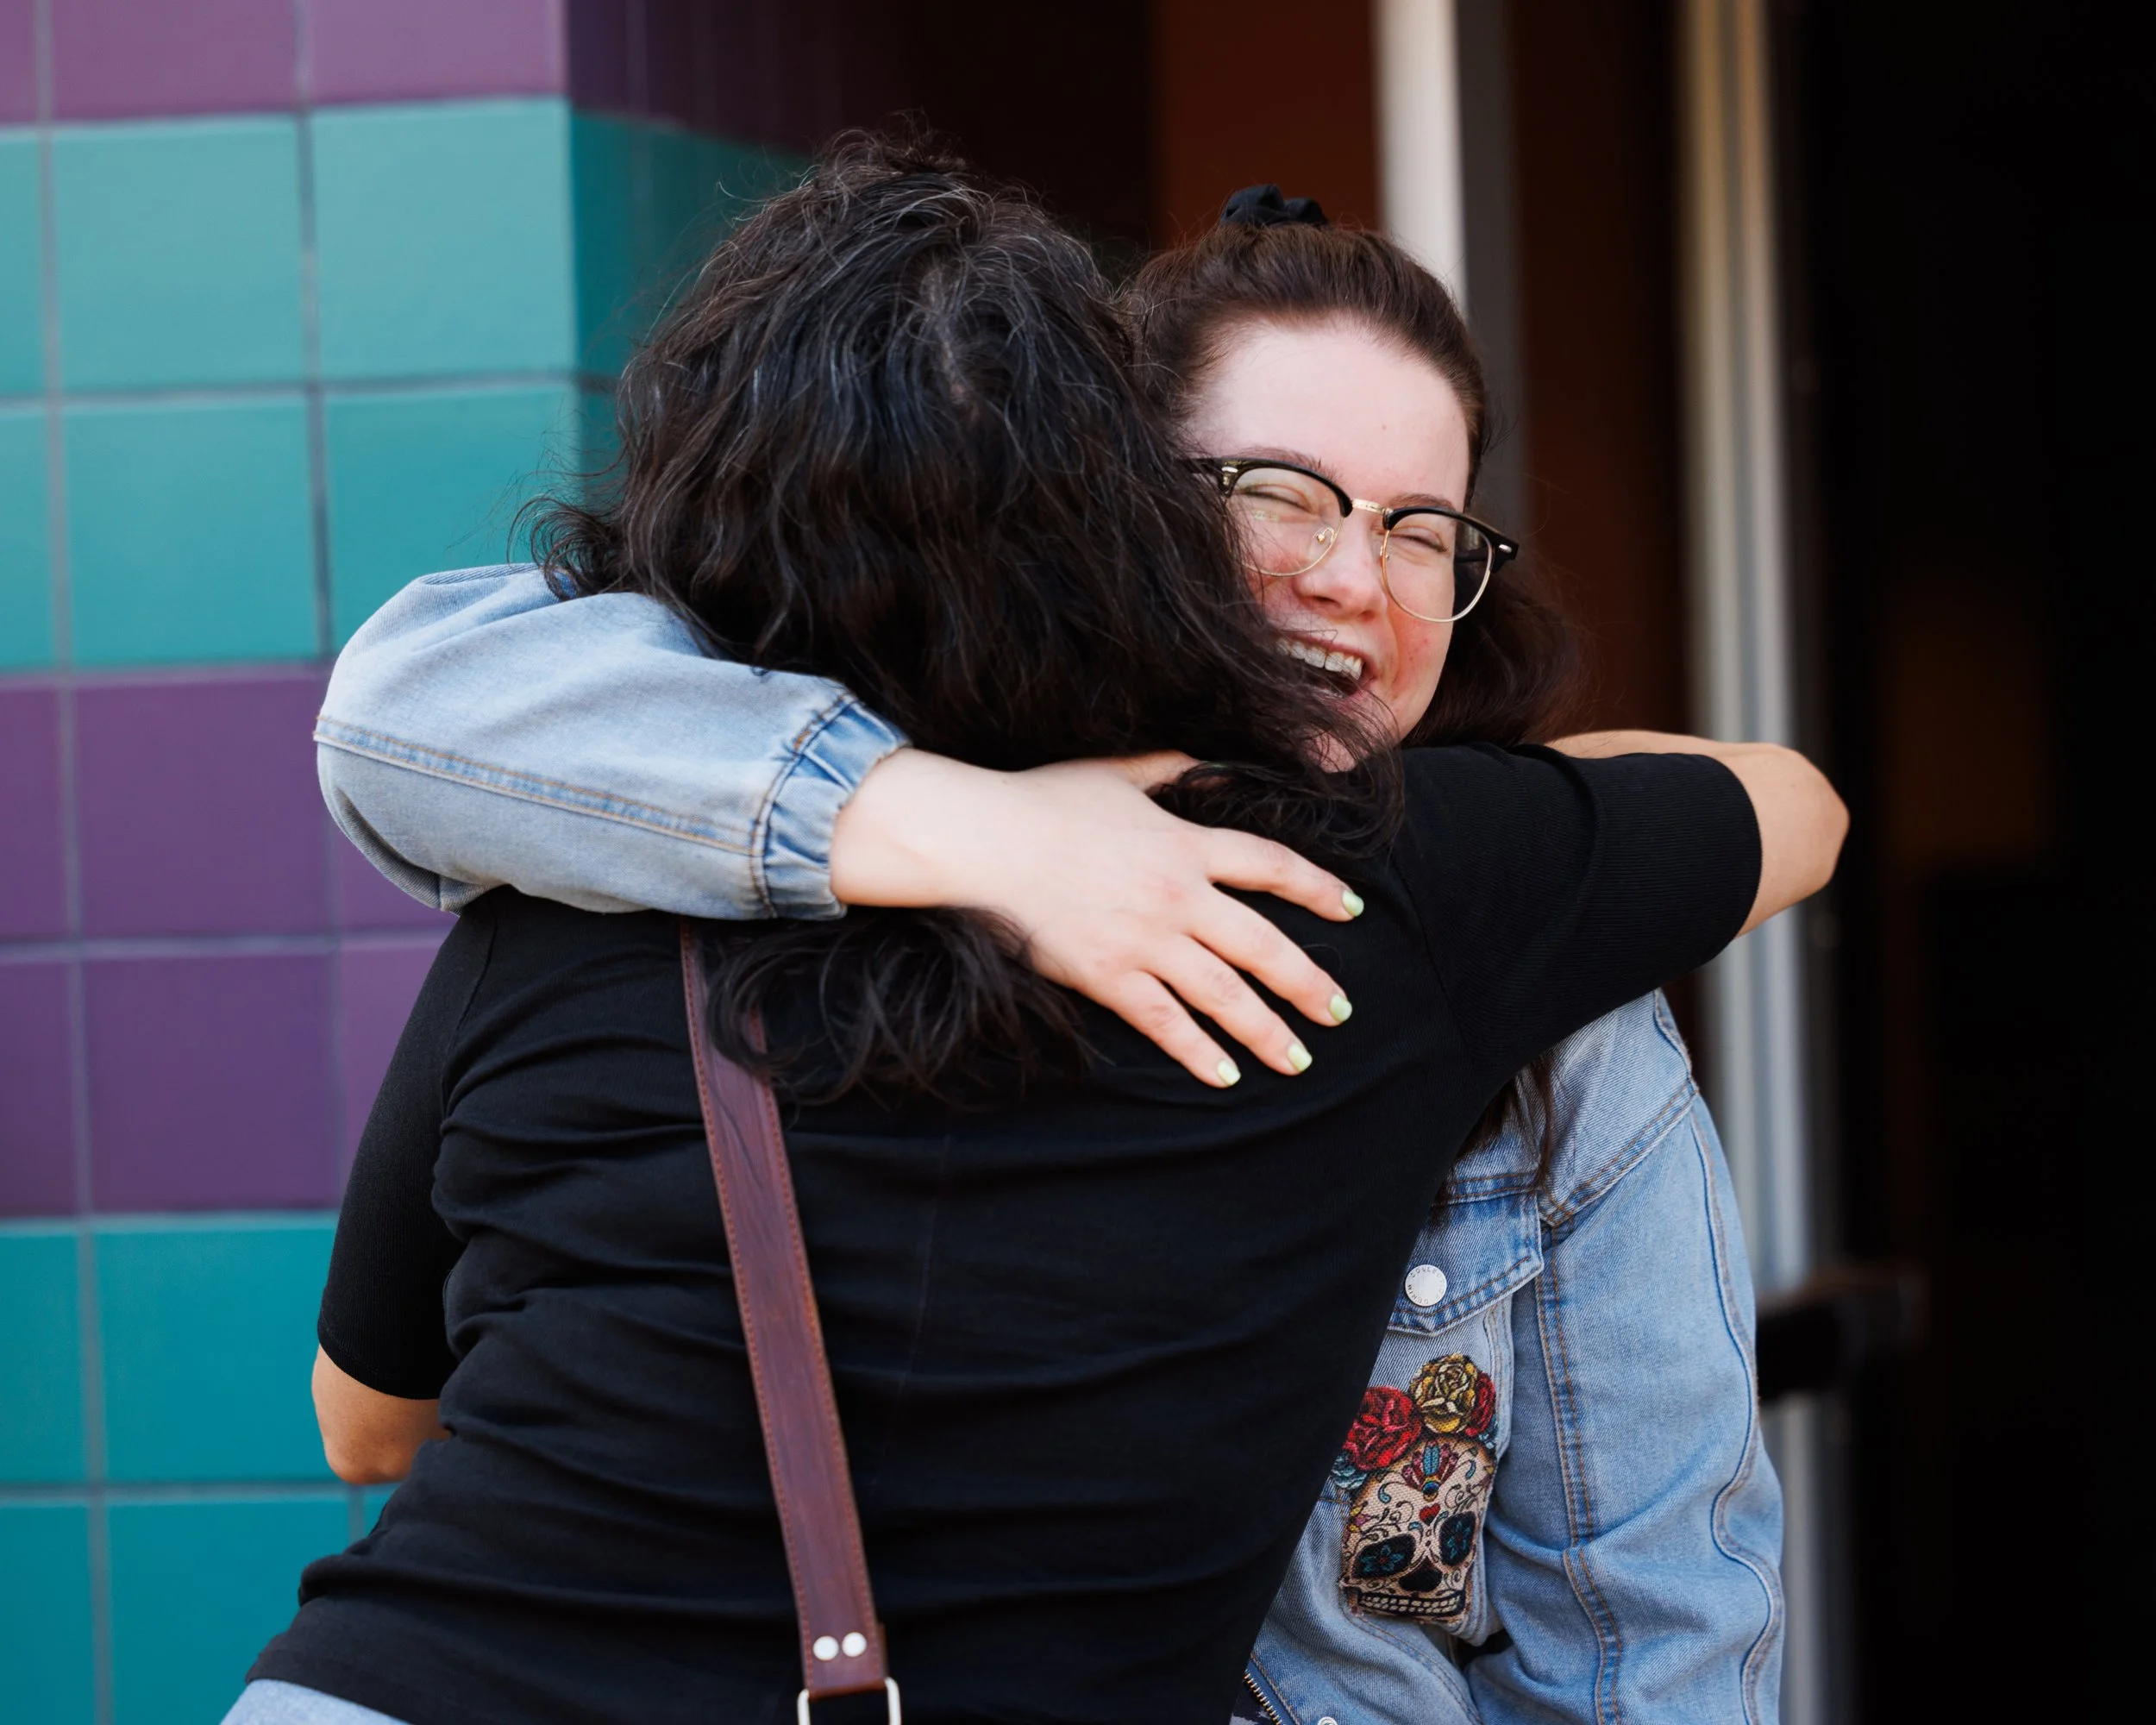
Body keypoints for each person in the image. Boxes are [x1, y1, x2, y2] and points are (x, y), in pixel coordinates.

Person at [242, 142, 1839, 1725]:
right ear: (1107, 502)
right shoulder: (632, 842)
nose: (1354, 576)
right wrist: (960, 821)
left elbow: (1647, 1629)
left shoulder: (1498, 930)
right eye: (1279, 493)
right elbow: (403, 703)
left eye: (1422, 530)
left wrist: (1512, 819)